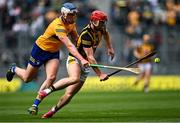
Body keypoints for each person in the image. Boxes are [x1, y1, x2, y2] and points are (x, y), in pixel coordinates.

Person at [28, 10, 115, 118]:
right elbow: (90, 57)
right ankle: (46, 91)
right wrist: (100, 74)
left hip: (86, 64)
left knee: (69, 95)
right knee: (75, 78)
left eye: (103, 22)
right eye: (101, 22)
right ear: (93, 21)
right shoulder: (86, 35)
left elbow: (106, 33)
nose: (103, 24)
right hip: (75, 59)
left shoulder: (101, 28)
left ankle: (52, 111)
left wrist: (110, 47)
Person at [6, 2, 89, 113]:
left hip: (53, 52)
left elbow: (76, 39)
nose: (73, 16)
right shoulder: (58, 26)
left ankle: (35, 105)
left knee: (51, 77)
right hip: (40, 50)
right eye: (70, 14)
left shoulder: (71, 23)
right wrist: (82, 59)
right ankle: (14, 69)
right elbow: (69, 45)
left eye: (74, 14)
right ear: (63, 14)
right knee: (27, 78)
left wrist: (86, 52)